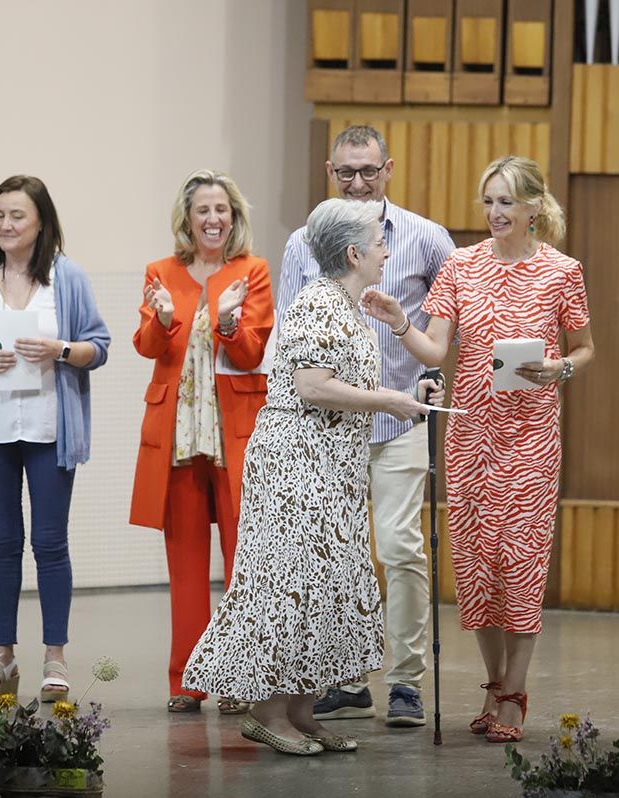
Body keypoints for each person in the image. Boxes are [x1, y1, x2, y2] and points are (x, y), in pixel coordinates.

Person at [182, 198, 430, 755]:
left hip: (331, 465)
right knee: (287, 586)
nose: (386, 249)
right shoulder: (318, 304)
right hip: (297, 464)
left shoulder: (348, 304)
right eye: (377, 240)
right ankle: (267, 713)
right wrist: (390, 399)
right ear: (352, 252)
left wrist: (401, 396)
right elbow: (312, 385)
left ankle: (301, 711)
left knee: (321, 588)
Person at [363, 155, 595, 743]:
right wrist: (397, 321)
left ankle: (514, 693)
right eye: (488, 201)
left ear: (533, 208)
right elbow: (435, 351)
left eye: (507, 202)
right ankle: (495, 683)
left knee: (521, 563)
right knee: (476, 569)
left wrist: (560, 366)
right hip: (471, 435)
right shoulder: (461, 267)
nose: (494, 212)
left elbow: (586, 347)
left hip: (532, 437)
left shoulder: (562, 271)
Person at [278, 124, 455, 727]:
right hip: (330, 428)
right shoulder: (305, 240)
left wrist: (413, 360)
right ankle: (345, 675)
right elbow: (289, 337)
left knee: (401, 546)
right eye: (345, 172)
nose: (357, 183)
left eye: (369, 171)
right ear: (330, 171)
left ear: (389, 170)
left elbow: (443, 336)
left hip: (400, 418)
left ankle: (404, 680)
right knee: (339, 552)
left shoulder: (428, 239)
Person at [0, 175, 110, 703]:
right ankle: (3, 657)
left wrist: (60, 349)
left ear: (40, 222)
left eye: (17, 215)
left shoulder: (68, 278)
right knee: (3, 545)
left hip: (48, 430)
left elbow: (98, 347)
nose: (6, 225)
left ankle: (54, 658)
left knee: (50, 545)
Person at [129, 170, 273, 715]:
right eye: (203, 211)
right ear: (187, 219)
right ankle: (186, 679)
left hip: (236, 434)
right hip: (179, 435)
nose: (214, 219)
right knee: (185, 563)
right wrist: (163, 318)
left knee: (243, 562)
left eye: (222, 210)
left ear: (234, 218)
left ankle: (239, 678)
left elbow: (253, 354)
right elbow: (147, 346)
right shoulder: (160, 272)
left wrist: (232, 321)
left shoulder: (251, 272)